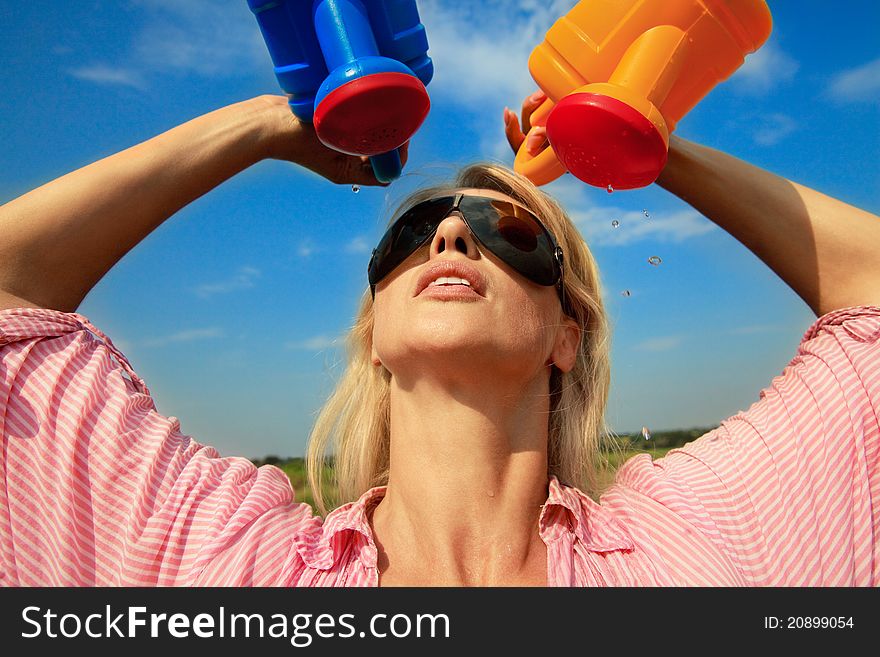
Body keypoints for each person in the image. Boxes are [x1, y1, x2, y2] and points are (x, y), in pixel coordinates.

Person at [0, 91, 877, 587]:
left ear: (565, 334)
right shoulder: (241, 568)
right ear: (374, 333)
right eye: (410, 237)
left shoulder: (687, 552)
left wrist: (648, 147)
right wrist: (264, 127)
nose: (451, 240)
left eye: (514, 237)